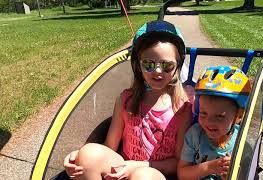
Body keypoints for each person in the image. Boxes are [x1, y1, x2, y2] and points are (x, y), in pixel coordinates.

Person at [64, 20, 193, 180]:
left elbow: (178, 163)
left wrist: (136, 165)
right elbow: (110, 146)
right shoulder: (126, 99)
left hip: (156, 173)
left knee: (142, 176)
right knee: (88, 154)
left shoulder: (182, 107)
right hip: (124, 167)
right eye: (148, 64)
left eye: (167, 65)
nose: (158, 71)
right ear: (138, 65)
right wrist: (78, 157)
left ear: (178, 66)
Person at [177, 66, 251, 180]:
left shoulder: (240, 143)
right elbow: (182, 174)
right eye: (203, 113)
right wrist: (211, 167)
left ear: (238, 116)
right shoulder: (194, 135)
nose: (209, 122)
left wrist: (233, 174)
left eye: (220, 116)